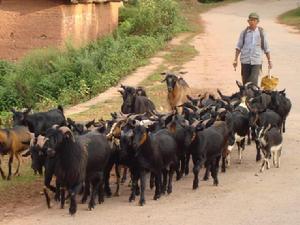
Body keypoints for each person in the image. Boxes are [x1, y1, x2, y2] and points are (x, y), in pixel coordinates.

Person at [233, 12, 272, 85]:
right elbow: (238, 47)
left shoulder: (262, 33)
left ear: (257, 22)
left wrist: (269, 60)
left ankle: (253, 96)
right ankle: (246, 96)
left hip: (256, 61)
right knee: (245, 83)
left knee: (253, 83)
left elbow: (267, 48)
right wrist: (235, 60)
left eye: (254, 20)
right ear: (248, 21)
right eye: (250, 20)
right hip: (245, 61)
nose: (252, 22)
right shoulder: (244, 33)